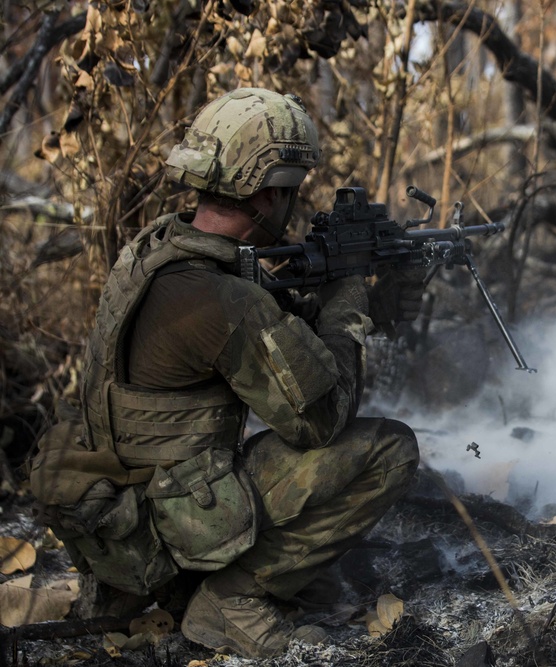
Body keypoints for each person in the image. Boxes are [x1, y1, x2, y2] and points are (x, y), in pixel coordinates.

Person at [29, 88, 423, 658]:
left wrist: (355, 298)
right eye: (291, 191)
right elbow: (322, 421)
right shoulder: (222, 298)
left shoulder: (158, 250)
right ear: (267, 191)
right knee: (392, 451)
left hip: (119, 522)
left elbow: (275, 340)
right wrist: (348, 300)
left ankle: (190, 583)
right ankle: (233, 597)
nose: (293, 205)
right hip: (168, 531)